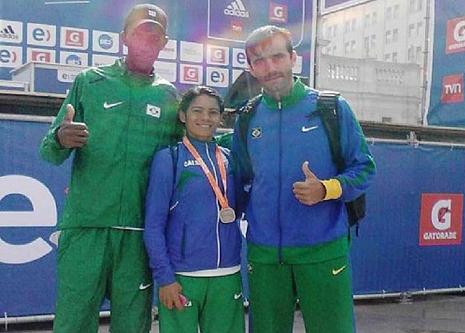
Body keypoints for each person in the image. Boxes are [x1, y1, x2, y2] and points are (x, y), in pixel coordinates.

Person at [39, 4, 181, 332]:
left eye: (155, 36)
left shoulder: (168, 95)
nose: (147, 42)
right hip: (86, 228)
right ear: (124, 38)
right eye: (139, 34)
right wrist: (60, 137)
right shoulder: (90, 81)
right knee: (73, 323)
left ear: (164, 43)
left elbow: (180, 157)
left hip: (137, 234)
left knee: (132, 326)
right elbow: (49, 152)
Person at [231, 25, 376, 333]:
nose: (270, 68)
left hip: (323, 252)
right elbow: (239, 182)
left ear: (293, 58)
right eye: (260, 61)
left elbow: (364, 168)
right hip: (265, 256)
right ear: (250, 66)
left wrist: (326, 189)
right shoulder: (247, 118)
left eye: (277, 57)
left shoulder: (331, 108)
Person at [144, 86, 245, 333]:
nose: (205, 118)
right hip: (182, 277)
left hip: (228, 274)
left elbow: (242, 207)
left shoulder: (231, 159)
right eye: (197, 111)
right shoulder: (169, 158)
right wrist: (165, 278)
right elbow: (153, 226)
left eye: (212, 112)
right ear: (182, 116)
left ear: (221, 117)